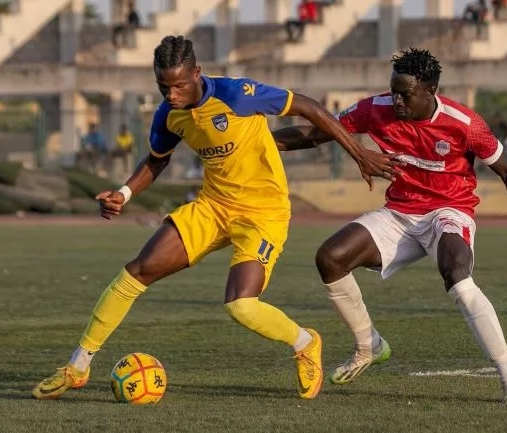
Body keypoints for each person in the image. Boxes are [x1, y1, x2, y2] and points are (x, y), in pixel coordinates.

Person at [31, 35, 400, 401]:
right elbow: (158, 158)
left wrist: (360, 154)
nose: (171, 94)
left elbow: (308, 107)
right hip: (213, 206)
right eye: (163, 86)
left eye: (178, 84)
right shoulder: (168, 114)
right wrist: (124, 193)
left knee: (241, 305)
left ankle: (304, 342)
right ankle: (77, 367)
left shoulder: (237, 94)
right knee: (135, 272)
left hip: (262, 213)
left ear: (196, 73)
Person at [272, 48, 507, 406]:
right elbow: (315, 133)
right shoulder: (374, 109)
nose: (397, 101)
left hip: (449, 211)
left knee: (459, 279)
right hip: (400, 213)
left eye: (406, 94)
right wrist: (261, 142)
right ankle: (369, 346)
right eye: (394, 91)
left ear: (431, 90)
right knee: (330, 257)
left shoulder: (465, 123)